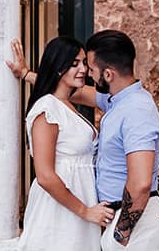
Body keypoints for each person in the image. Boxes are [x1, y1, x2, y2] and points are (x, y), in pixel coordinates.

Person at [10, 31, 159, 250]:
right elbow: (70, 91)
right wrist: (27, 73)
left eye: (89, 66)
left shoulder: (135, 109)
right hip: (89, 213)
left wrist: (120, 235)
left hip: (134, 221)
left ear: (108, 75)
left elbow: (140, 184)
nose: (86, 72)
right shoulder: (117, 101)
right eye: (77, 64)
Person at [17, 36, 116, 249]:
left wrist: (27, 74)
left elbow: (99, 97)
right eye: (74, 64)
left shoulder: (66, 103)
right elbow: (44, 176)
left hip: (80, 202)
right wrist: (85, 211)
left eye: (83, 63)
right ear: (57, 66)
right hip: (61, 208)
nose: (83, 69)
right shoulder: (47, 109)